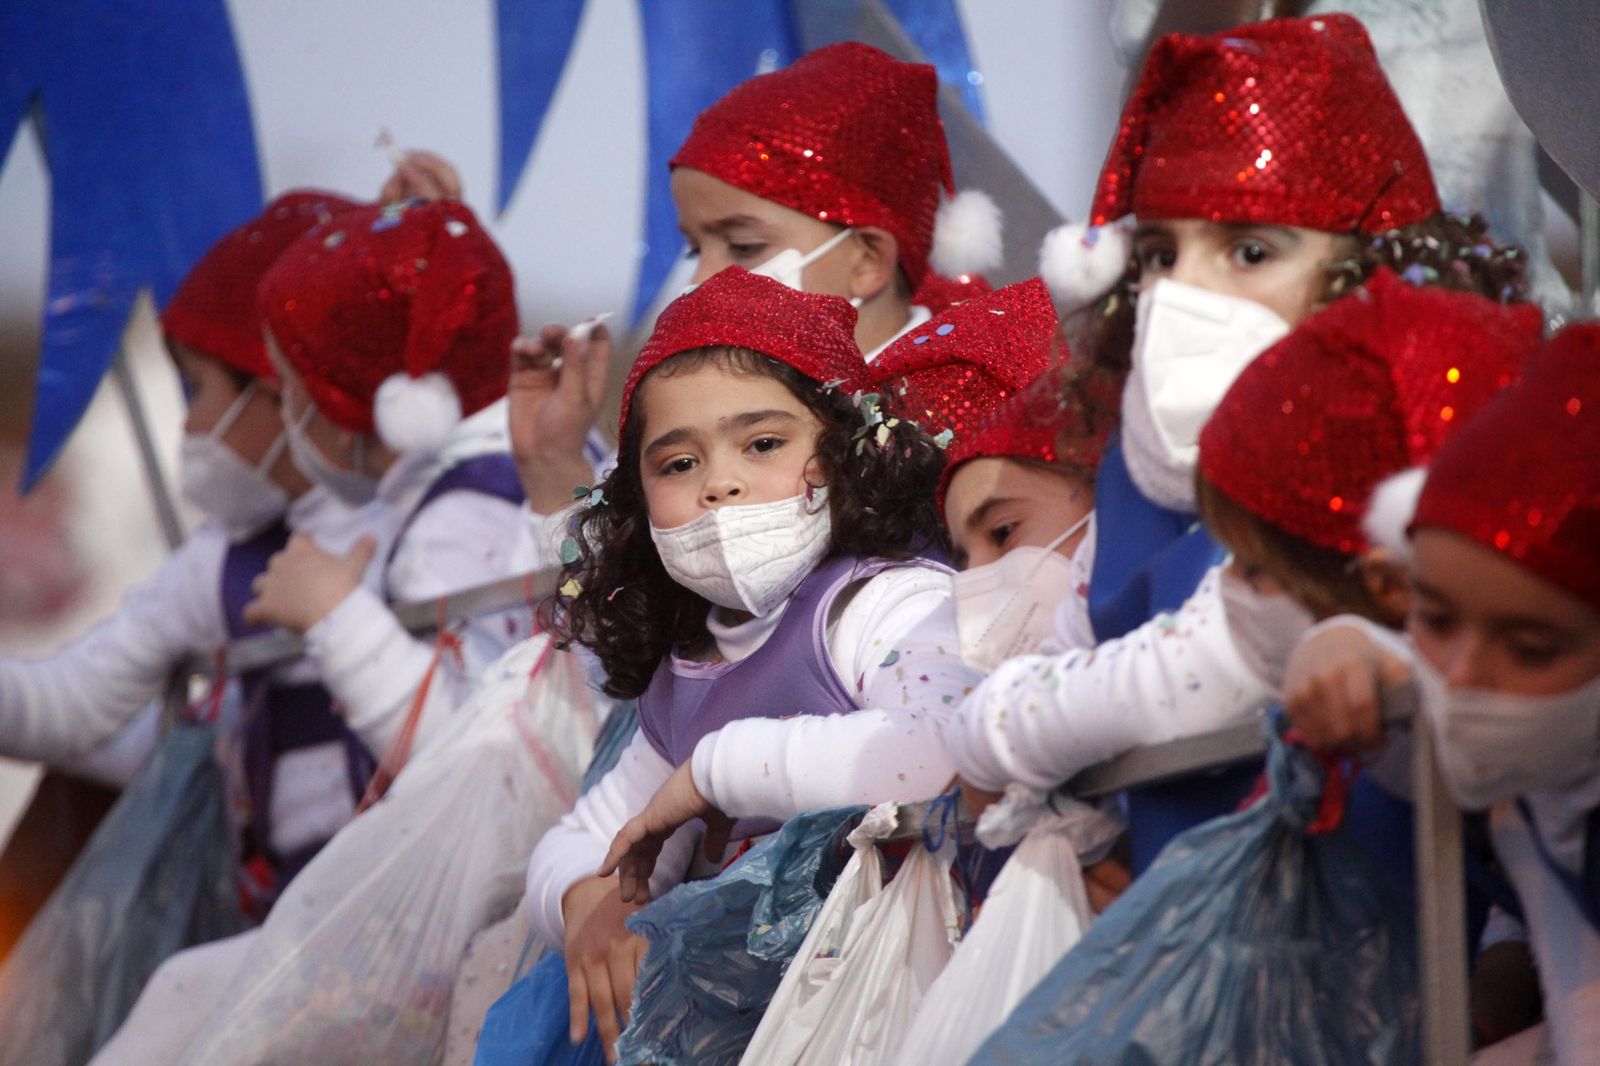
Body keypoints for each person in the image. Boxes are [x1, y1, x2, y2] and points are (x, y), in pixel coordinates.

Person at [966, 12, 1528, 869]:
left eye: (1251, 250)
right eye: (1158, 254)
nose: (1182, 292)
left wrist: (998, 731)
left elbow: (1211, 668)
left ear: (1373, 265)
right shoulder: (1129, 474)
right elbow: (1072, 654)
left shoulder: (1429, 451)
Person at [517, 266, 979, 1055]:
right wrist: (587, 901)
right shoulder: (687, 664)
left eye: (762, 444)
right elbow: (589, 837)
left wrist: (712, 773)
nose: (721, 484)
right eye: (678, 464)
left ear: (841, 454)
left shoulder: (885, 605)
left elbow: (942, 750)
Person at [0, 191, 378, 916]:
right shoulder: (225, 560)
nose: (192, 425)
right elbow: (73, 704)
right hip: (281, 931)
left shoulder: (442, 516)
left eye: (200, 390)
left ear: (284, 390)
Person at [509, 40, 1000, 526]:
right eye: (695, 250)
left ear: (868, 259)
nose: (703, 279)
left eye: (743, 246)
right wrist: (551, 462)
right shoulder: (696, 411)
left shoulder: (976, 428)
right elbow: (619, 598)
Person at [1283, 323, 1600, 1063]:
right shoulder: (1541, 760)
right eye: (1435, 619)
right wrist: (1343, 641)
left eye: (1529, 649)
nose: (1459, 679)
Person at [244, 197, 534, 763]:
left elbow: (472, 760)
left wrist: (333, 614)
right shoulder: (525, 466)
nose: (286, 415)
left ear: (349, 396)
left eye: (288, 388)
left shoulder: (455, 525)